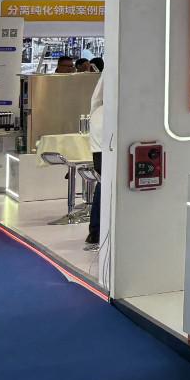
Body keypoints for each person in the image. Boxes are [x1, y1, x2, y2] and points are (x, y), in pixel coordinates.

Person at [86, 58, 105, 248]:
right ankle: (97, 229)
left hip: (98, 153)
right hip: (106, 153)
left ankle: (95, 231)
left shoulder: (97, 111)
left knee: (102, 187)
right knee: (105, 188)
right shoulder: (107, 113)